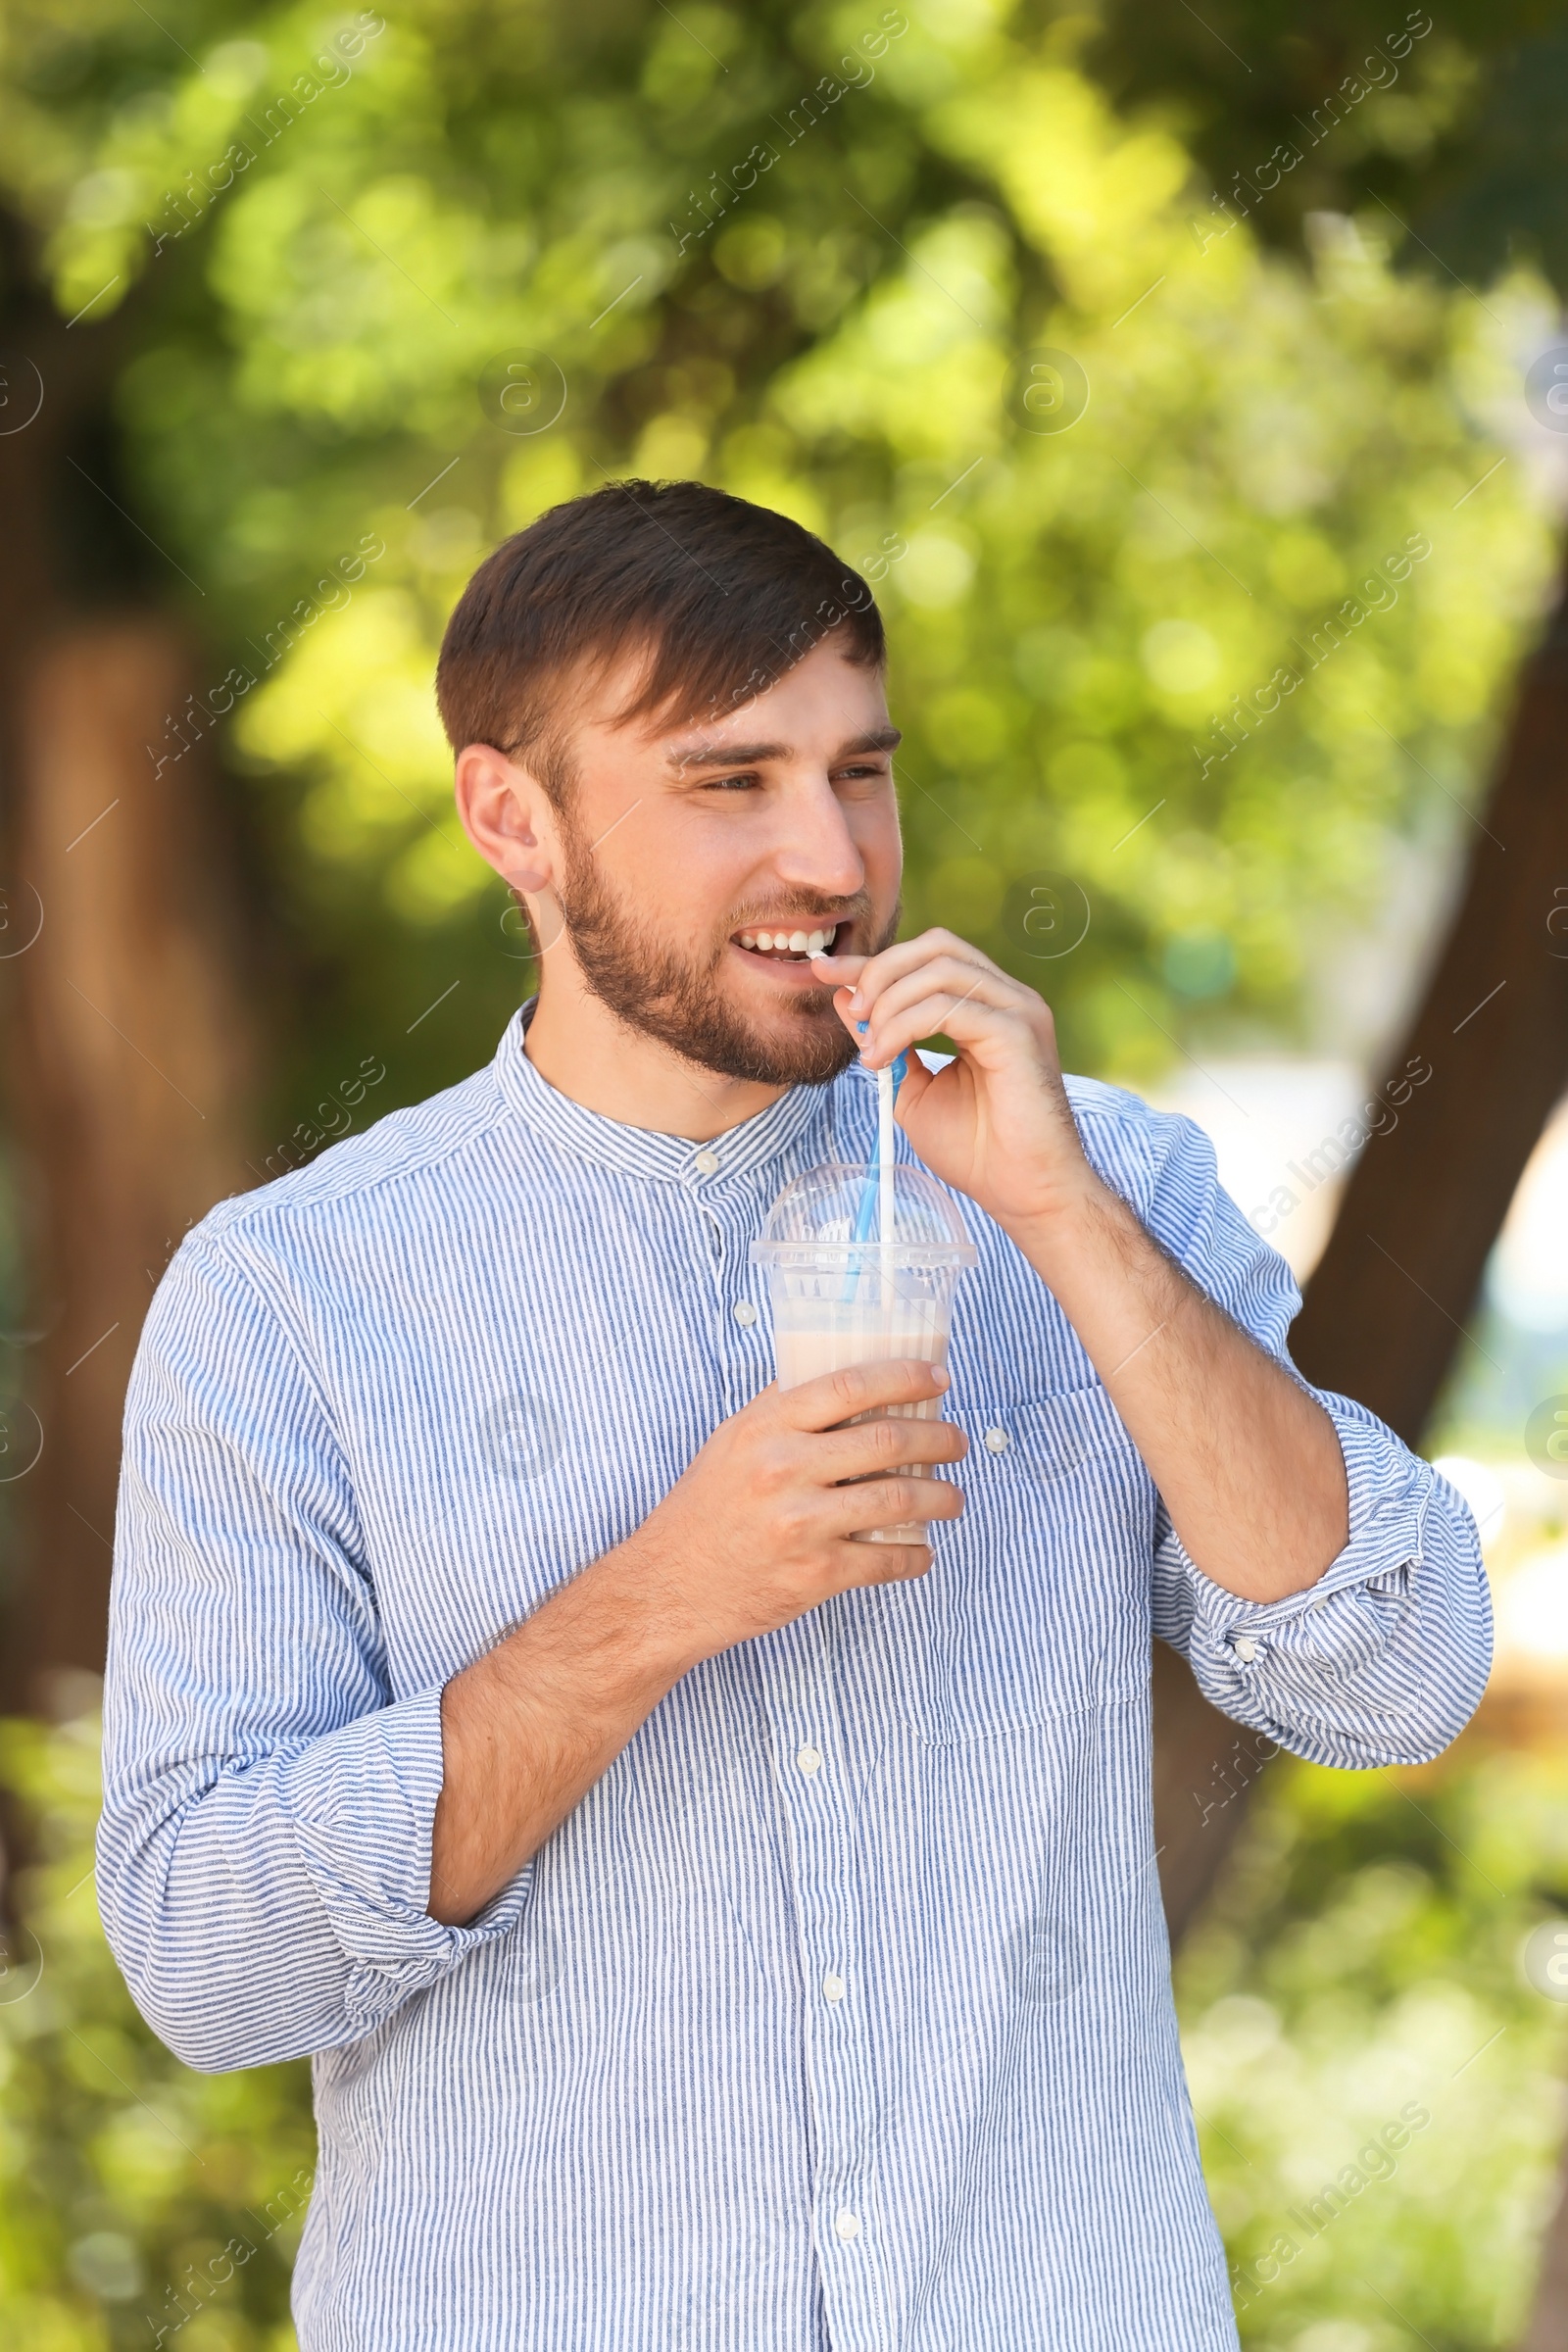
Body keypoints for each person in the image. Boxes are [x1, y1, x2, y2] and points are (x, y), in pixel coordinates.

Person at [98, 479, 1491, 2351]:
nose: (829, 859)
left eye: (861, 772)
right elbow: (206, 1954)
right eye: (728, 782)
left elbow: (1393, 1675)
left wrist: (1065, 1220)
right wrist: (662, 1598)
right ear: (513, 817)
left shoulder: (1103, 1191)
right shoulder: (289, 1301)